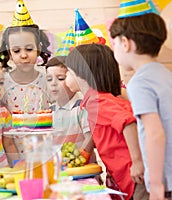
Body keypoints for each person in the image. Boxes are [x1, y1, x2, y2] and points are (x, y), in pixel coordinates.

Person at [65, 44, 147, 200]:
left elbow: (128, 122)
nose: (66, 78)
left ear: (82, 75)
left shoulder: (99, 102)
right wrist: (84, 153)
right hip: (124, 173)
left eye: (68, 73)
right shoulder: (98, 101)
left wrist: (137, 162)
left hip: (134, 175)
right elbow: (99, 132)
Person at [110, 12, 172, 200]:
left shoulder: (140, 82)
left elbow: (154, 133)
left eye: (114, 44)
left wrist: (155, 185)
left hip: (166, 181)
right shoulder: (166, 75)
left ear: (125, 43)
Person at [0, 24, 52, 157]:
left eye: (29, 49)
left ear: (38, 49)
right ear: (9, 53)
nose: (23, 55)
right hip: (13, 156)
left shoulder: (48, 81)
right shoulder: (1, 83)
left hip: (45, 155)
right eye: (16, 51)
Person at [45, 56, 95, 164]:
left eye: (60, 78)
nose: (53, 83)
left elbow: (90, 136)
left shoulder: (82, 106)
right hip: (60, 170)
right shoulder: (49, 111)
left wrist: (81, 157)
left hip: (83, 169)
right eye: (49, 79)